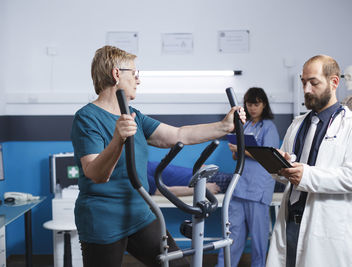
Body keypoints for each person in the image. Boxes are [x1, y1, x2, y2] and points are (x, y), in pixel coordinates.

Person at [70, 45, 246, 267]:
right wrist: (118, 140)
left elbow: (178, 135)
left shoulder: (135, 116)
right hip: (103, 219)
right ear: (116, 74)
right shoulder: (87, 118)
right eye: (134, 74)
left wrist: (224, 125)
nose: (138, 80)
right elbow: (95, 173)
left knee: (177, 264)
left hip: (139, 213)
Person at [266, 55, 352, 267]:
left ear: (334, 82)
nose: (306, 89)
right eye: (303, 82)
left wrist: (306, 175)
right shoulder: (297, 124)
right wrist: (281, 166)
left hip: (325, 227)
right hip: (291, 222)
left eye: (313, 82)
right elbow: (286, 169)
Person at [216, 87, 280, 267]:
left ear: (264, 105)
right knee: (232, 235)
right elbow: (238, 156)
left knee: (259, 239)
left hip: (258, 189)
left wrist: (242, 149)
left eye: (256, 104)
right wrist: (236, 151)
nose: (252, 108)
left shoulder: (269, 127)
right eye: (249, 104)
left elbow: (268, 154)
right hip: (239, 187)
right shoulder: (245, 125)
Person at [147, 161, 233, 196]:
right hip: (203, 182)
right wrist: (202, 188)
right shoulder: (139, 175)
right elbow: (164, 191)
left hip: (201, 174)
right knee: (241, 182)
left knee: (241, 179)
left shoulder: (140, 163)